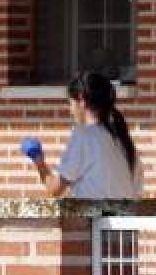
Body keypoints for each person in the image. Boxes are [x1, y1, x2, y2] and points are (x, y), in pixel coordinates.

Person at [29, 71, 142, 199]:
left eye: (70, 103)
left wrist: (38, 161)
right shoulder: (124, 141)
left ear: (81, 100)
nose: (70, 110)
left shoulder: (84, 135)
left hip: (97, 218)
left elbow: (55, 189)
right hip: (124, 217)